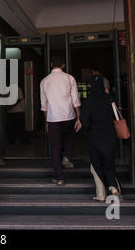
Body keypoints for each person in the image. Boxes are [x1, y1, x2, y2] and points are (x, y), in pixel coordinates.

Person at [40, 56, 81, 186]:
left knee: (55, 147)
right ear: (63, 65)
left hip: (53, 118)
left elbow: (44, 104)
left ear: (51, 64)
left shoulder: (44, 81)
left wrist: (46, 121)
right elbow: (76, 100)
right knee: (68, 136)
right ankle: (66, 156)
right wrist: (78, 117)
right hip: (69, 116)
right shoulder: (70, 78)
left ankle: (59, 177)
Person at [81, 75, 122, 201]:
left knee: (96, 166)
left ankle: (101, 195)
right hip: (109, 136)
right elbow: (116, 117)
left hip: (94, 137)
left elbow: (85, 121)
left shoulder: (88, 101)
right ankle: (114, 187)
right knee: (109, 165)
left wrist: (85, 131)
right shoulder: (109, 99)